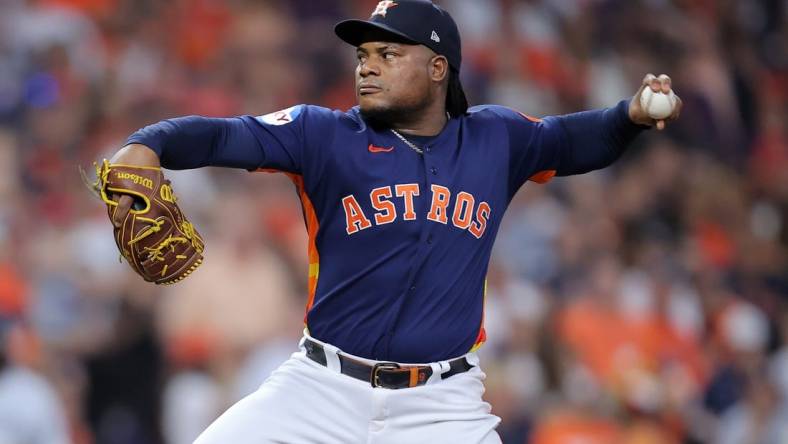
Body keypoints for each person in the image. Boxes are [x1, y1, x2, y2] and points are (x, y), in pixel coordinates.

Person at [105, 1, 681, 442]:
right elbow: (224, 134)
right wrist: (147, 142)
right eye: (363, 56)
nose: (368, 68)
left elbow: (575, 139)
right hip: (320, 387)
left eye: (388, 54)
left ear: (437, 68)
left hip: (443, 404)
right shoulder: (324, 134)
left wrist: (629, 115)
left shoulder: (495, 138)